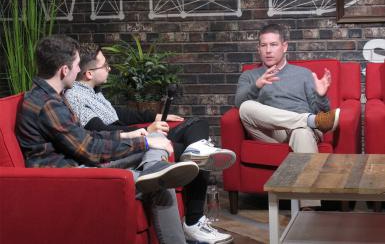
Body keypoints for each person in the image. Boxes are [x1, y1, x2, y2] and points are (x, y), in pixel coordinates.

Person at [16, 34, 201, 244]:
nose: (78, 71)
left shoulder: (52, 95)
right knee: (160, 178)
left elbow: (85, 137)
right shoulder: (47, 104)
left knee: (156, 139)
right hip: (70, 176)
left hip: (78, 161)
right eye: (77, 65)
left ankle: (154, 167)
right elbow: (90, 150)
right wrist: (144, 143)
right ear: (64, 70)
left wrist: (127, 135)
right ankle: (155, 170)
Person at [64, 45, 236, 244]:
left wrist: (153, 116)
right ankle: (194, 223)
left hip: (138, 132)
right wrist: (146, 132)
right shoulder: (76, 96)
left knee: (198, 125)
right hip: (130, 140)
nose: (110, 69)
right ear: (88, 73)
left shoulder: (94, 92)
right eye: (106, 65)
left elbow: (118, 113)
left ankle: (198, 152)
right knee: (199, 157)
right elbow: (101, 131)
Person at [235, 23, 340, 208]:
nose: (268, 50)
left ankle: (309, 208)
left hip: (303, 131)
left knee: (302, 131)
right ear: (258, 48)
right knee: (246, 107)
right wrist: (257, 85)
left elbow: (322, 111)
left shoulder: (304, 74)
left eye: (273, 45)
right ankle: (309, 121)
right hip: (272, 133)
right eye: (263, 45)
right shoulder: (250, 76)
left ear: (285, 46)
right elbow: (238, 104)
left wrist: (322, 96)